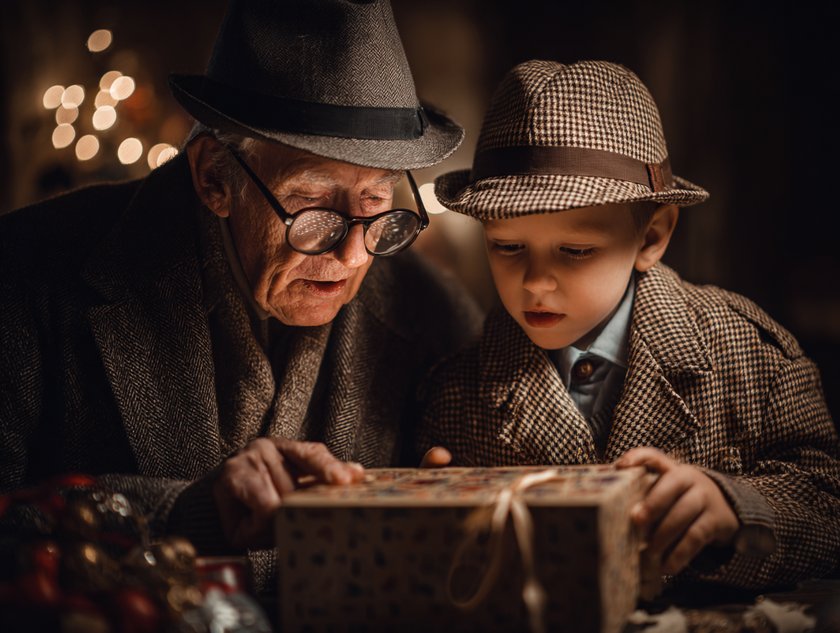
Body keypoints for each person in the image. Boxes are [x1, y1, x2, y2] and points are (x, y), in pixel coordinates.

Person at [0, 0, 481, 593]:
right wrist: (181, 515)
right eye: (313, 204)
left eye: (377, 204)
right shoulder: (24, 271)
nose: (354, 255)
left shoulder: (432, 313)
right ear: (213, 178)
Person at [417, 60, 840, 591]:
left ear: (652, 236)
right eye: (507, 246)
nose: (536, 283)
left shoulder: (752, 357)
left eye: (575, 250)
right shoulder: (454, 397)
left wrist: (739, 510)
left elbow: (829, 508)